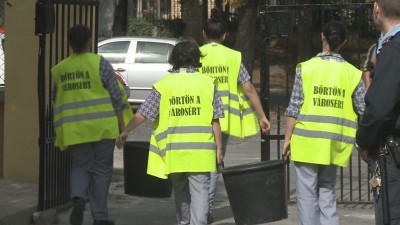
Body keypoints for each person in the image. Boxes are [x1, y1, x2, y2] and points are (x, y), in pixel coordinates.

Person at [116, 40, 225, 225]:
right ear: (197, 59)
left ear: (173, 59)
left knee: (181, 193)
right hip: (201, 154)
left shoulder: (164, 85)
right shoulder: (207, 83)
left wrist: (125, 131)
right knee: (200, 193)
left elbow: (143, 113)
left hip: (174, 152)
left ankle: (184, 223)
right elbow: (215, 120)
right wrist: (219, 148)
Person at [282, 20, 366, 225]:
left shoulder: (306, 68)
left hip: (306, 141)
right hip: (334, 143)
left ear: (322, 37)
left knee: (306, 194)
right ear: (344, 42)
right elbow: (364, 109)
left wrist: (287, 139)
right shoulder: (353, 74)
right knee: (327, 190)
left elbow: (294, 107)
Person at [200, 8, 271, 223]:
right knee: (214, 162)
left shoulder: (196, 55)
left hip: (197, 116)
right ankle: (205, 209)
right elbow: (248, 87)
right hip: (223, 120)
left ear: (204, 34)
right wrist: (262, 116)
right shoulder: (232, 58)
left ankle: (199, 208)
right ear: (225, 36)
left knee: (198, 163)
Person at [51, 24, 125, 225]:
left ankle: (78, 199)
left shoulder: (60, 69)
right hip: (102, 127)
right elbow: (116, 95)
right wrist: (122, 125)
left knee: (80, 166)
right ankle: (100, 217)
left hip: (75, 130)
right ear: (89, 41)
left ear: (70, 43)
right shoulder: (99, 64)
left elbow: (55, 98)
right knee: (101, 170)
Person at [355, 0, 400, 224]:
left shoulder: (394, 48)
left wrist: (363, 141)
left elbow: (379, 109)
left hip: (394, 154)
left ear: (376, 8)